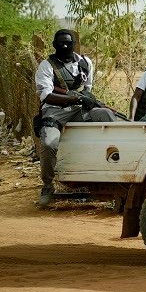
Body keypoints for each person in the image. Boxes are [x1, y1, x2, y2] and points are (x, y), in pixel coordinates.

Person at [34, 29, 117, 208]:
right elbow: (46, 96)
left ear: (74, 45)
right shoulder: (47, 66)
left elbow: (87, 87)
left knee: (107, 116)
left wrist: (89, 99)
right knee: (49, 143)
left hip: (79, 109)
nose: (65, 46)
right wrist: (77, 98)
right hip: (55, 110)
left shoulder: (85, 62)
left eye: (68, 43)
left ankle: (110, 176)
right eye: (61, 43)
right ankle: (48, 185)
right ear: (54, 45)